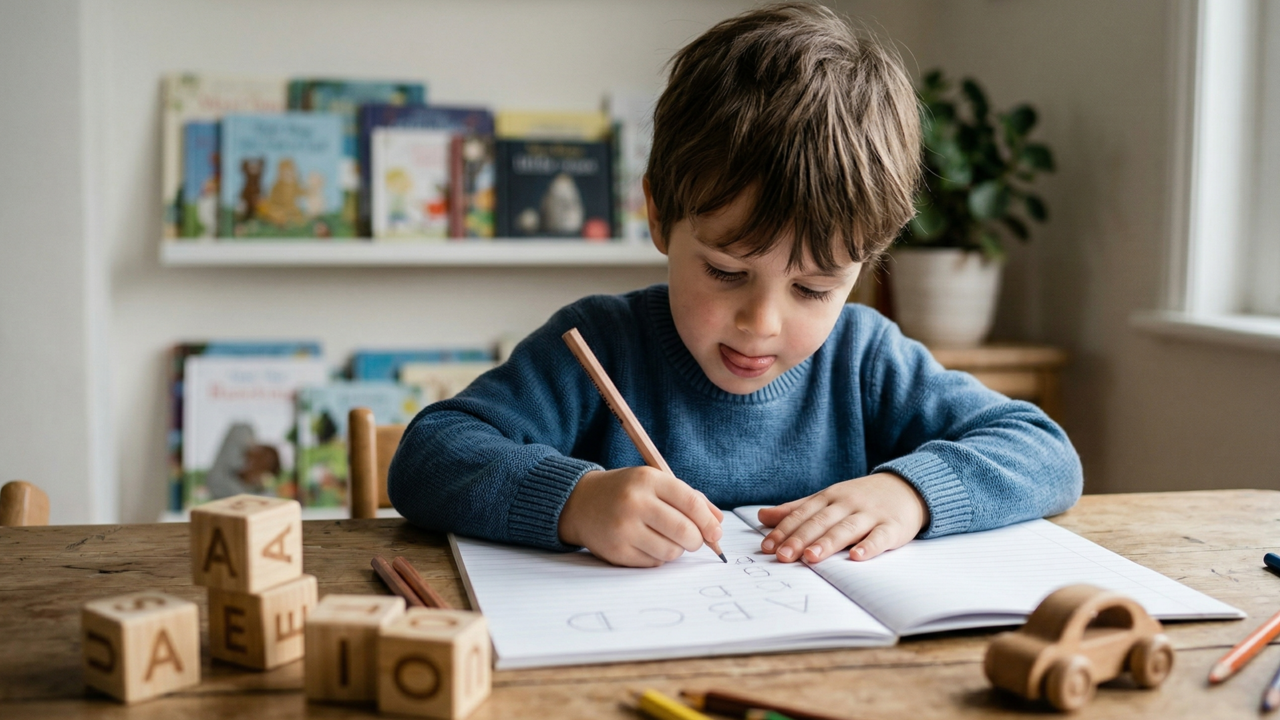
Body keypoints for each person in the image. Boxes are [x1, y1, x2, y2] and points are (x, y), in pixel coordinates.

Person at [387, 2, 1082, 568]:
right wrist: (578, 500)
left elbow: (1044, 452)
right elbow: (430, 455)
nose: (761, 323)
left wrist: (909, 492)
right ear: (660, 216)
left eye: (813, 289)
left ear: (865, 263)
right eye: (725, 271)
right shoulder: (598, 346)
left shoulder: (866, 358)